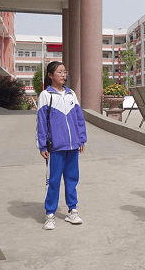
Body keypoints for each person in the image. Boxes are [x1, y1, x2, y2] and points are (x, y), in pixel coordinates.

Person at [36, 61, 87, 230]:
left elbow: (79, 119)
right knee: (54, 181)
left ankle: (72, 210)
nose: (64, 75)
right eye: (59, 72)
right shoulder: (46, 95)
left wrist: (81, 139)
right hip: (55, 147)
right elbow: (41, 122)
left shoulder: (71, 94)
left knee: (72, 179)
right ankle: (50, 214)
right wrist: (42, 146)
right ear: (50, 75)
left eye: (65, 72)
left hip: (72, 146)